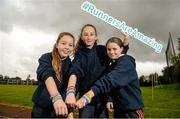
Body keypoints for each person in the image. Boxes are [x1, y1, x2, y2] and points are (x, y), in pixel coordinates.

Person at [65, 24, 130, 118]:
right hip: (85, 99)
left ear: (96, 37)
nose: (89, 37)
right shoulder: (79, 55)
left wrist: (126, 41)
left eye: (92, 34)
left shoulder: (102, 50)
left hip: (102, 96)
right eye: (86, 34)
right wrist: (70, 92)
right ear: (82, 37)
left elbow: (118, 54)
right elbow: (74, 72)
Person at [76, 37, 144, 118]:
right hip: (119, 109)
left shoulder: (126, 62)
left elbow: (109, 81)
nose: (111, 52)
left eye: (114, 49)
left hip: (132, 110)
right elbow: (112, 87)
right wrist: (109, 99)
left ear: (121, 49)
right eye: (109, 49)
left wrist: (88, 96)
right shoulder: (112, 66)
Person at [31, 32, 75, 118]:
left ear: (73, 48)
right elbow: (47, 75)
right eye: (63, 43)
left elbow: (70, 91)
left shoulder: (72, 65)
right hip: (41, 109)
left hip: (60, 110)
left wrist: (70, 113)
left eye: (70, 45)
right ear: (57, 44)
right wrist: (56, 97)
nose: (67, 47)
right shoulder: (46, 57)